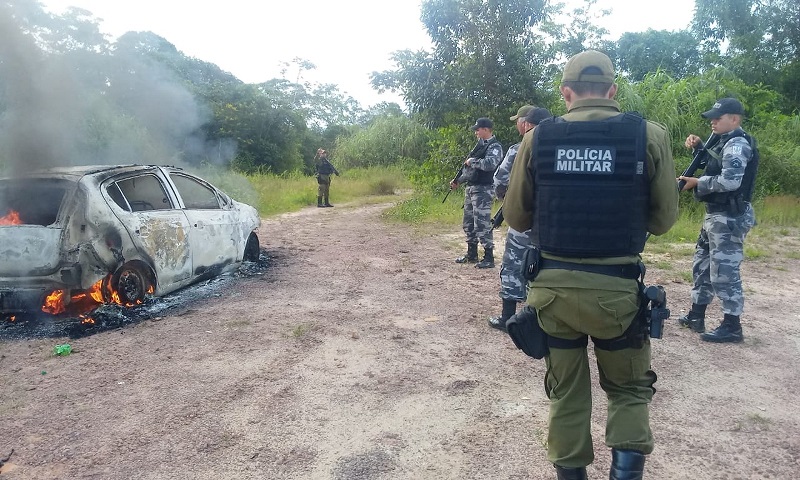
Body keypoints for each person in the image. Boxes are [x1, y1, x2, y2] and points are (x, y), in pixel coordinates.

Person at [504, 50, 679, 480]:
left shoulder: (537, 137)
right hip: (616, 293)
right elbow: (662, 220)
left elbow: (516, 217)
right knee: (629, 389)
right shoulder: (649, 135)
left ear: (566, 93)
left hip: (552, 294)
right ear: (613, 91)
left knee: (566, 393)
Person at [677, 98, 759, 343]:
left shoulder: (737, 144)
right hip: (715, 215)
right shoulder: (723, 141)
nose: (712, 121)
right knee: (702, 264)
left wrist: (696, 183)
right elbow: (715, 163)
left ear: (734, 119)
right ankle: (696, 315)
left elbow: (730, 181)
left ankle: (732, 326)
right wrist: (699, 147)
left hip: (728, 217)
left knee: (724, 271)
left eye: (718, 117)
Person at [488, 105, 551, 331]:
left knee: (515, 263)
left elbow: (500, 180)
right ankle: (542, 317)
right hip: (554, 220)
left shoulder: (520, 148)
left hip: (525, 219)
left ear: (525, 124)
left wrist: (511, 202)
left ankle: (508, 318)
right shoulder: (562, 144)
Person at [451, 117, 504, 268]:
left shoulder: (495, 147)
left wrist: (472, 161)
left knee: (482, 223)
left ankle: (489, 257)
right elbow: (468, 170)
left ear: (486, 129)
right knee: (468, 223)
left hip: (484, 189)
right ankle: (472, 254)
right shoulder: (479, 146)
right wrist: (458, 181)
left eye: (478, 129)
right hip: (471, 188)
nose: (476, 131)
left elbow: (490, 164)